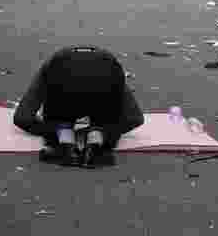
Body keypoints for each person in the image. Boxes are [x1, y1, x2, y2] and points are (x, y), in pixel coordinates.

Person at [13, 46, 144, 166]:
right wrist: (106, 130)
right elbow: (135, 118)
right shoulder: (110, 66)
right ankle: (96, 142)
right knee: (104, 118)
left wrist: (53, 129)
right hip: (103, 91)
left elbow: (22, 118)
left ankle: (65, 142)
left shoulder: (51, 65)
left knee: (60, 118)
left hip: (64, 96)